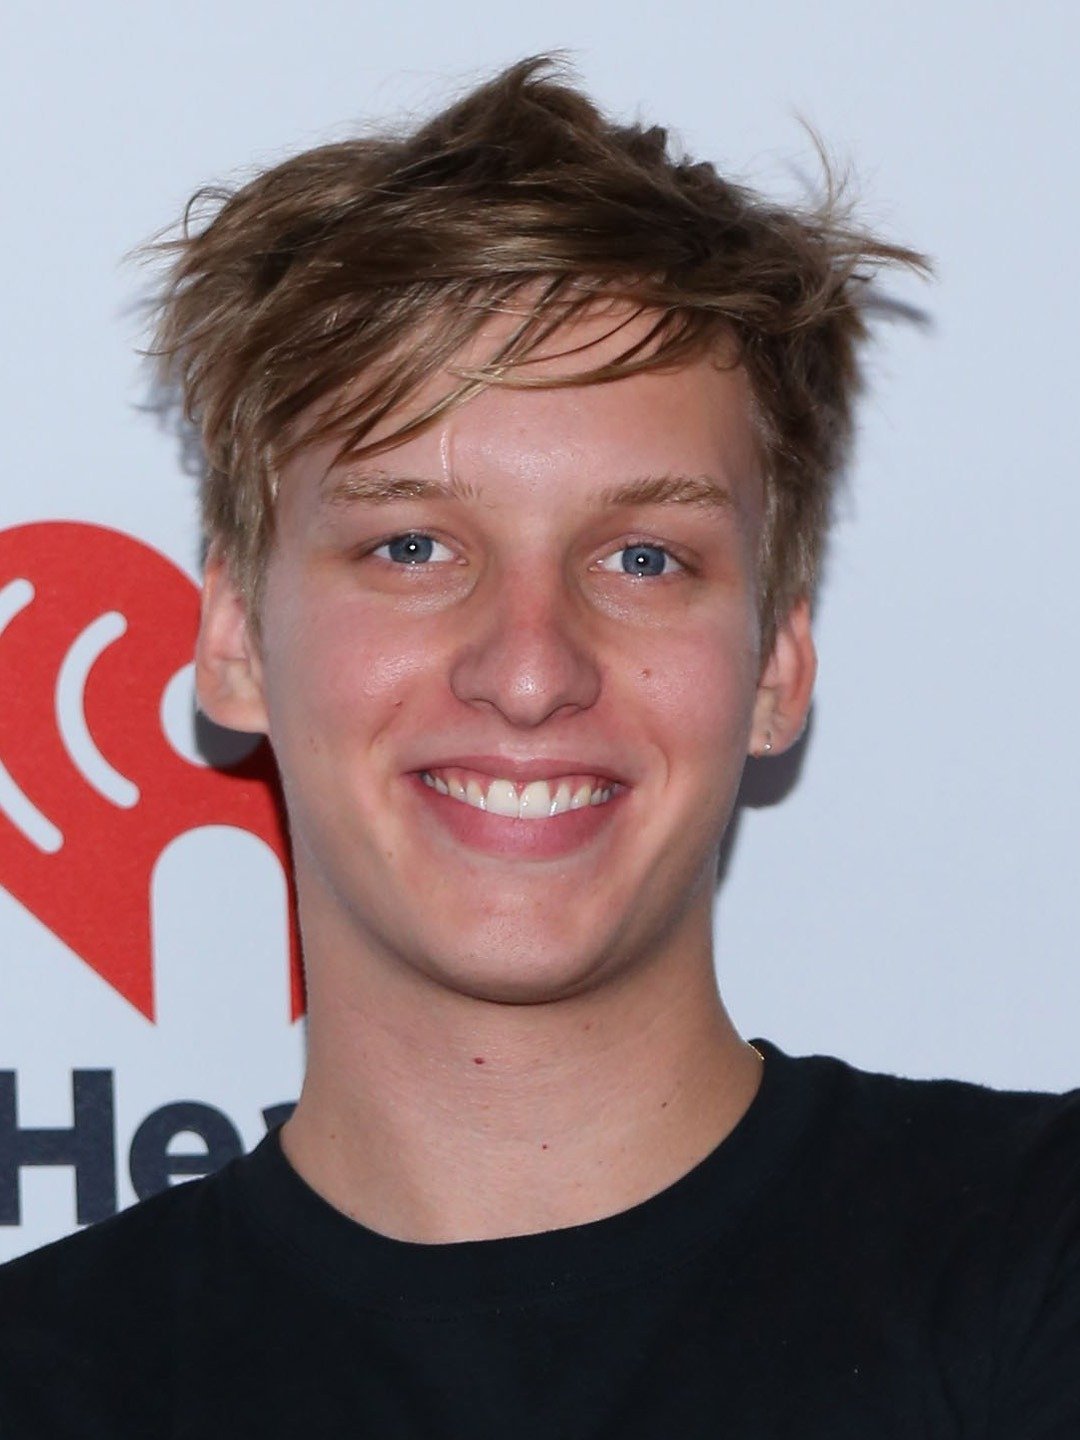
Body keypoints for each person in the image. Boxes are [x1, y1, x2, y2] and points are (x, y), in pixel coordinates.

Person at [0, 54, 1077, 1438]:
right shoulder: (42, 1379)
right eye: (411, 546)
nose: (527, 671)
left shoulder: (1039, 1259)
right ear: (235, 645)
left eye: (642, 557)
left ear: (777, 668)